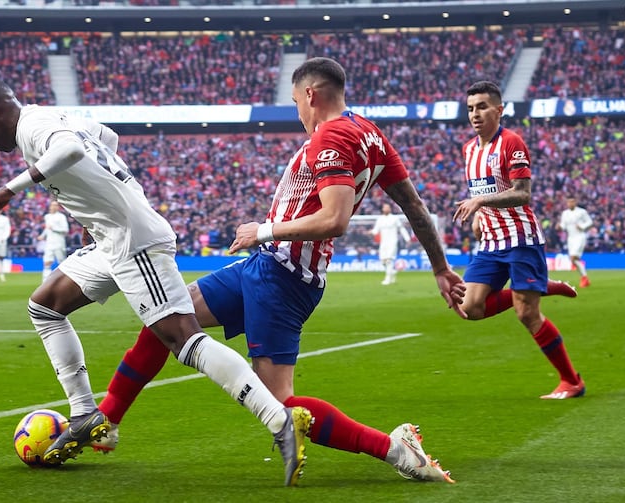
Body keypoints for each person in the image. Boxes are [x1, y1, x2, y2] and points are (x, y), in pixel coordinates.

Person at [92, 57, 466, 484]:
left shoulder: (332, 137)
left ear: (310, 95)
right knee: (167, 319)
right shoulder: (370, 134)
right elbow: (414, 206)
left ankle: (396, 449)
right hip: (264, 267)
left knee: (279, 405)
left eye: (295, 103)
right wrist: (440, 267)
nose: (298, 114)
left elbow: (336, 219)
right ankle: (106, 424)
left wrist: (263, 230)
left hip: (284, 278)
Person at [0, 79, 312, 486]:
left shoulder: (35, 128)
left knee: (184, 341)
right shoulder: (48, 115)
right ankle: (83, 413)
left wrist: (10, 189)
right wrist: (98, 206)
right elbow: (105, 137)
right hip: (110, 237)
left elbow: (73, 150)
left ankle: (280, 419)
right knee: (45, 305)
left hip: (134, 240)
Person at [453, 80, 585, 400]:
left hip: (521, 237)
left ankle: (571, 381)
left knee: (526, 313)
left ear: (499, 110)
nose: (475, 114)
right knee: (468, 307)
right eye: (471, 108)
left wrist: (481, 204)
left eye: (482, 107)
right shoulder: (469, 149)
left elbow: (522, 193)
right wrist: (482, 215)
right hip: (491, 242)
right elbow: (481, 191)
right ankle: (541, 285)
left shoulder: (512, 143)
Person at [371, 202, 412, 285]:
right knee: (383, 261)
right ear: (382, 209)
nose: (386, 209)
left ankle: (388, 279)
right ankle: (392, 272)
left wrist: (407, 239)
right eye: (384, 207)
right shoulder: (380, 219)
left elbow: (402, 229)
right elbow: (376, 231)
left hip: (392, 242)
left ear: (390, 209)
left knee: (389, 260)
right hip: (383, 243)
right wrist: (370, 232)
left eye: (387, 207)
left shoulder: (395, 218)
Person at [557, 195, 593, 288]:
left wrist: (582, 226)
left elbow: (590, 222)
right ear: (567, 203)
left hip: (579, 236)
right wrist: (559, 227)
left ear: (575, 202)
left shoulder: (582, 212)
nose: (570, 203)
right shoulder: (565, 213)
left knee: (573, 258)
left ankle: (584, 278)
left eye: (572, 201)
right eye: (569, 202)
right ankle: (585, 278)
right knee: (574, 260)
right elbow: (563, 225)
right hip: (570, 238)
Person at [38, 200, 70, 282]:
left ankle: (64, 281)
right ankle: (45, 282)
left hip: (59, 243)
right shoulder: (47, 216)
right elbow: (47, 229)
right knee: (47, 262)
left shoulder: (61, 217)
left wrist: (54, 229)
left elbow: (65, 230)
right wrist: (42, 236)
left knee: (61, 263)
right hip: (49, 243)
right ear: (50, 206)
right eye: (52, 205)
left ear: (58, 207)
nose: (54, 207)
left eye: (56, 205)